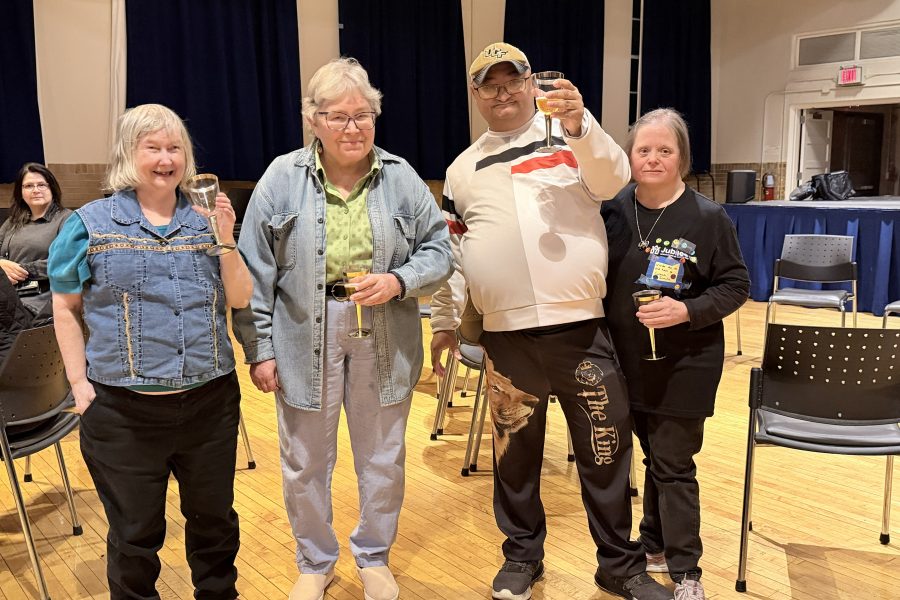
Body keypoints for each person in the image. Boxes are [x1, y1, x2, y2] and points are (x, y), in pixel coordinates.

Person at [430, 42, 674, 600]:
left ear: (529, 82)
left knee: (605, 450)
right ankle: (522, 556)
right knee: (514, 455)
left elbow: (614, 180)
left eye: (512, 80)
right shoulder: (461, 169)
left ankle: (620, 564)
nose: (502, 92)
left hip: (580, 331)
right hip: (505, 338)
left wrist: (580, 122)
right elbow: (456, 252)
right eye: (488, 85)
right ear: (476, 95)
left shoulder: (568, 135)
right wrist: (446, 320)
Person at [231, 58, 452, 600]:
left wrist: (400, 280)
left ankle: (374, 555)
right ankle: (315, 560)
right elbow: (253, 270)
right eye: (338, 116)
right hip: (304, 333)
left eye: (363, 115)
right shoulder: (281, 178)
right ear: (313, 120)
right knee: (305, 459)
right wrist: (260, 348)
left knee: (382, 456)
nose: (352, 127)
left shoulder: (401, 177)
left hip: (384, 330)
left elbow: (441, 251)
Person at [48, 103, 253, 600]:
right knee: (135, 536)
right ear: (128, 154)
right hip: (123, 412)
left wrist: (225, 237)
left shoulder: (206, 220)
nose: (166, 159)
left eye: (175, 147)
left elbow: (242, 298)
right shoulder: (88, 223)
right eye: (153, 148)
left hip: (209, 404)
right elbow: (64, 305)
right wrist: (79, 384)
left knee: (214, 527)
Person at [601, 108, 750, 600]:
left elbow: (736, 285)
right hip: (623, 362)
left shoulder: (709, 218)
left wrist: (687, 311)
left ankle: (687, 571)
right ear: (629, 156)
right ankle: (655, 544)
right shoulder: (612, 209)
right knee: (651, 457)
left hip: (686, 364)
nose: (653, 158)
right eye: (644, 149)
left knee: (672, 461)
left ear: (682, 158)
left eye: (665, 150)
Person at [0, 163, 71, 316]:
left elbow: (65, 262)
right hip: (6, 295)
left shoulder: (68, 219)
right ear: (21, 191)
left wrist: (19, 271)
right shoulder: (12, 222)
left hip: (39, 301)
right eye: (29, 186)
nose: (36, 190)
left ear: (52, 188)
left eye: (41, 185)